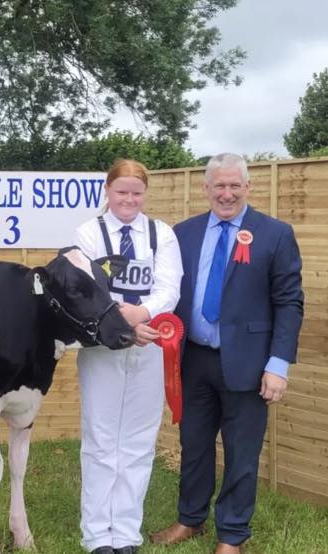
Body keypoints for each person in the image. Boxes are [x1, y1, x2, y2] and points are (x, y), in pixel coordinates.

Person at [150, 153, 304, 554]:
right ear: (206, 189)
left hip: (250, 364)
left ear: (248, 187)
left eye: (235, 185)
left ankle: (232, 535)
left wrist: (278, 364)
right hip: (194, 359)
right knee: (194, 445)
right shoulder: (182, 234)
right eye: (219, 185)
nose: (227, 193)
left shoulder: (275, 234)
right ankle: (190, 518)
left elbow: (289, 302)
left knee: (242, 453)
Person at [74, 159, 183, 554]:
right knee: (101, 438)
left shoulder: (161, 234)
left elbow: (169, 287)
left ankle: (125, 533)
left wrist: (144, 314)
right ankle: (96, 534)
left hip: (151, 343)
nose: (129, 199)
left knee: (138, 440)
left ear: (145, 194)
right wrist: (123, 325)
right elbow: (88, 290)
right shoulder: (89, 232)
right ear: (108, 190)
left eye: (137, 193)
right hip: (103, 347)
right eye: (122, 191)